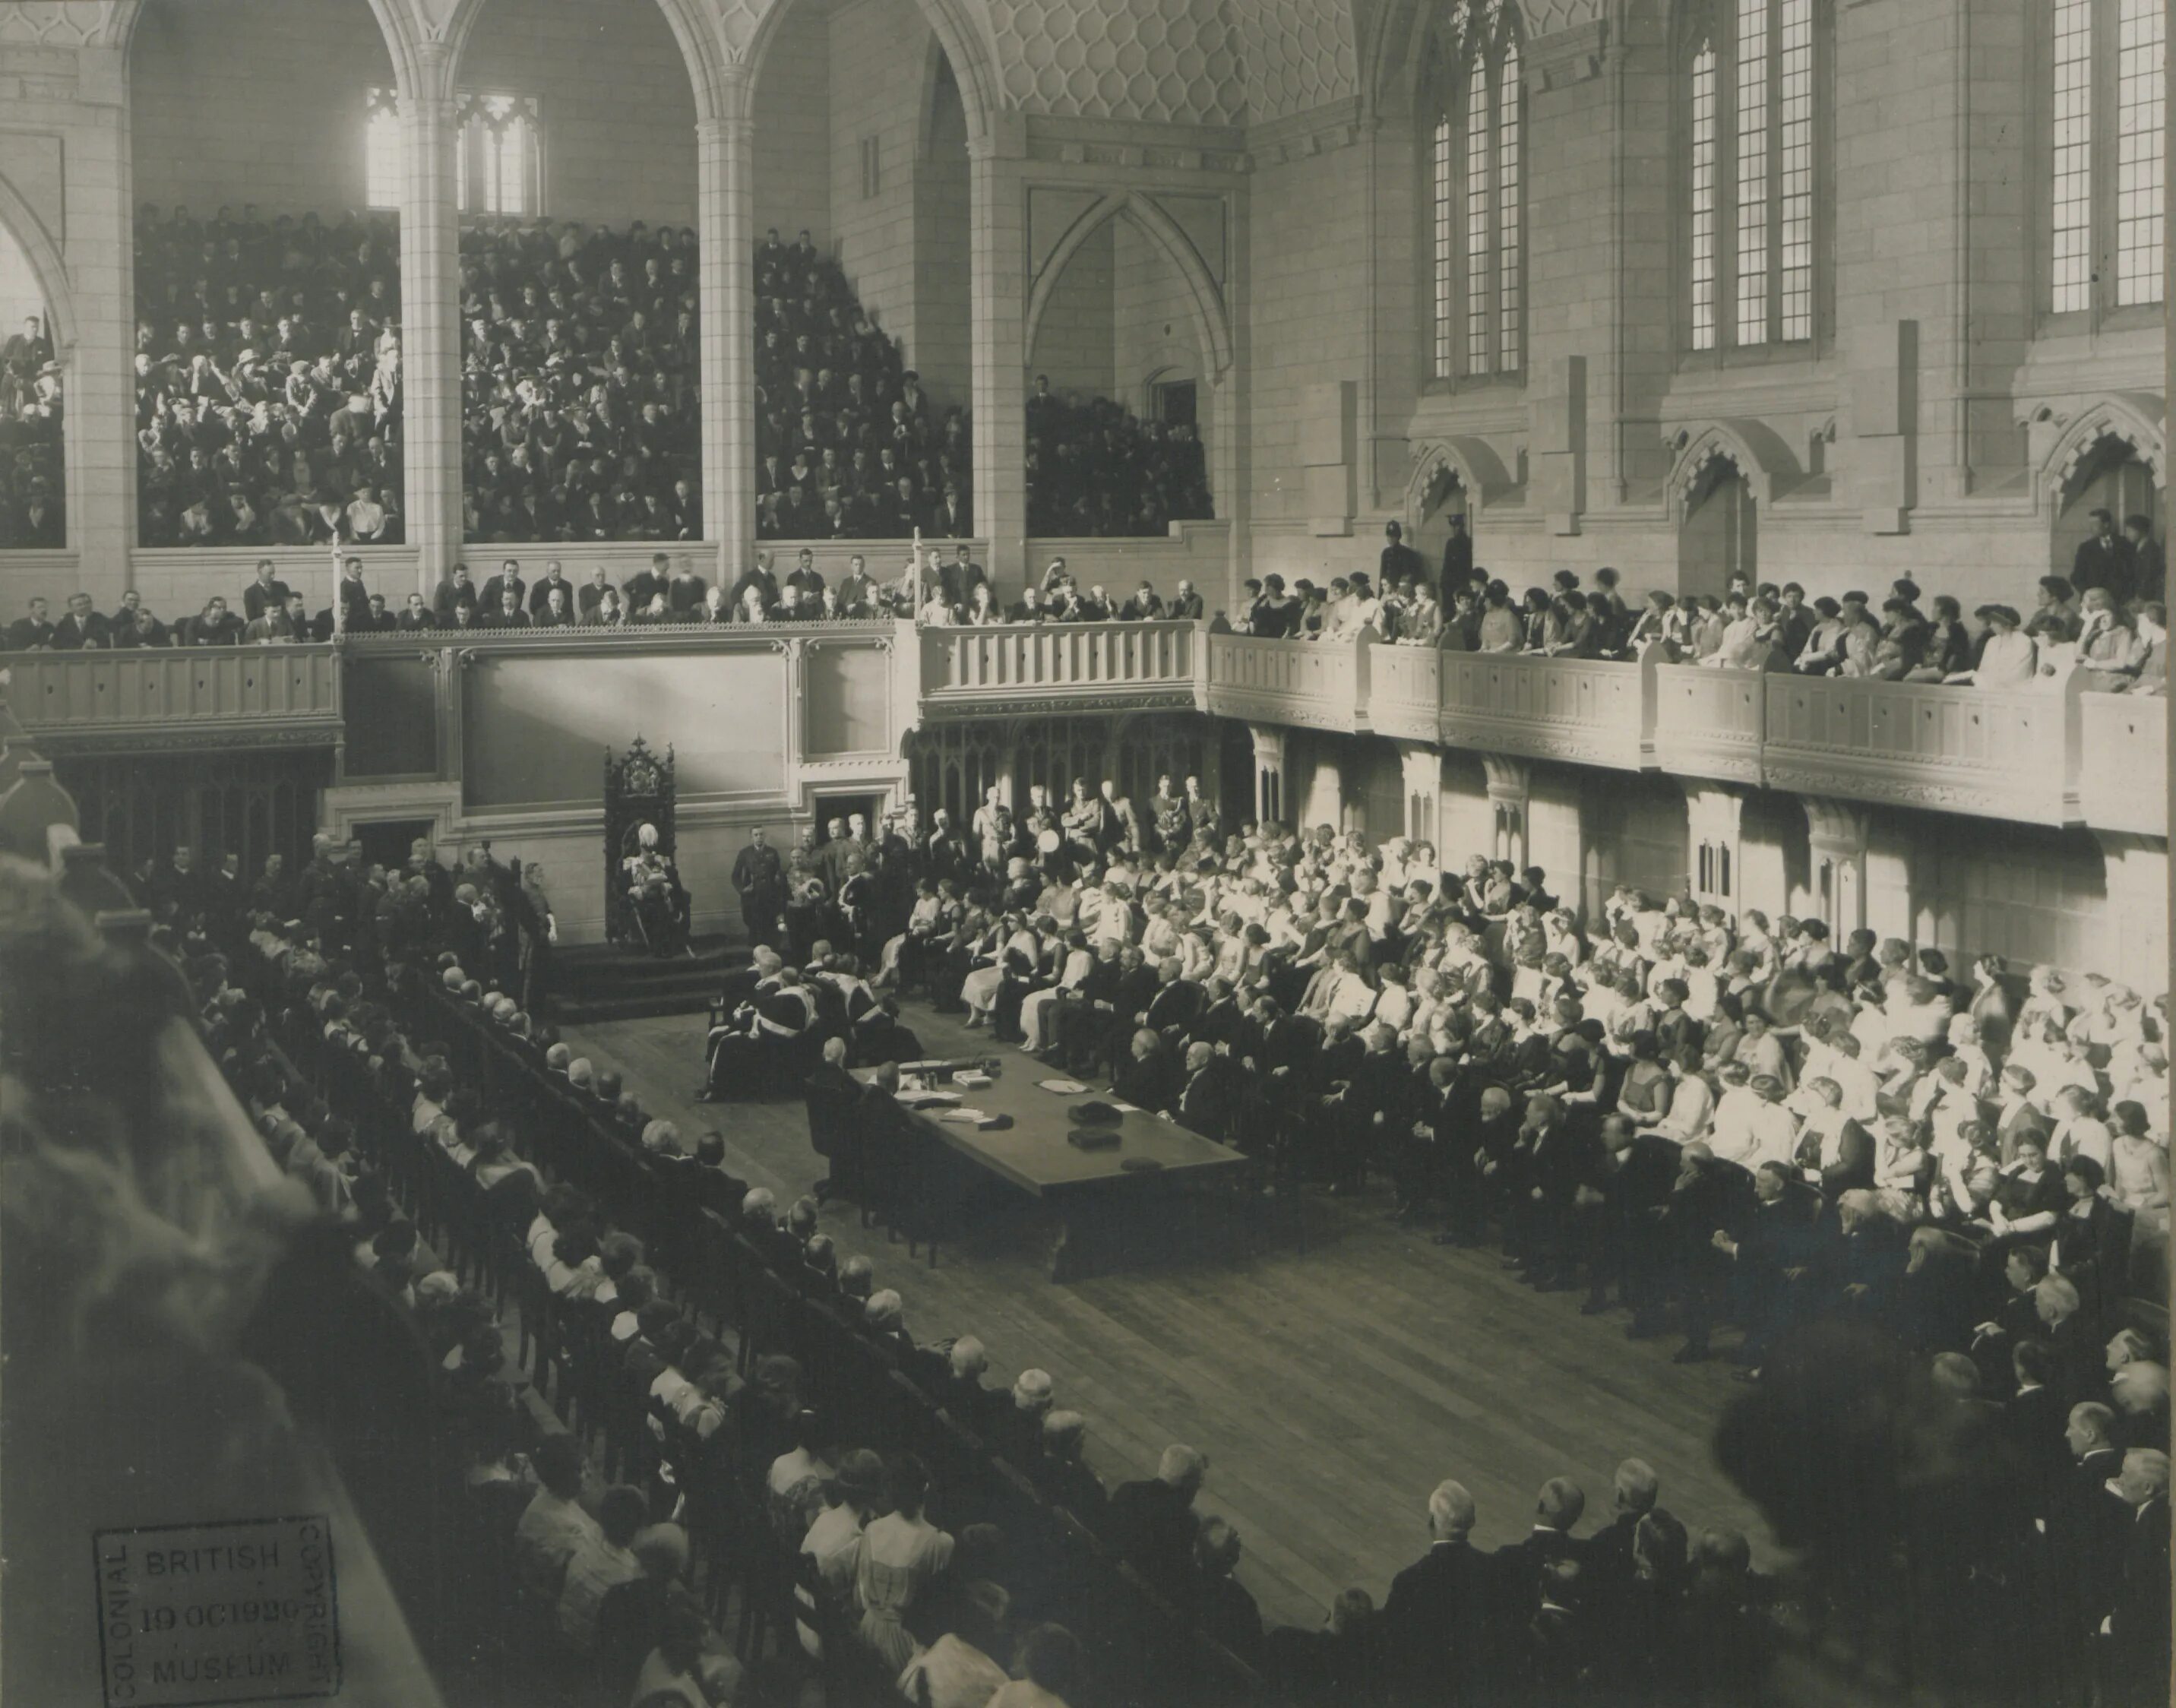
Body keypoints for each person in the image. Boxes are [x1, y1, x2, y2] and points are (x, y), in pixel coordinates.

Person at [1105, 1443, 1207, 1602]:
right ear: (1188, 1485)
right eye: (1198, 1484)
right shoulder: (1186, 1522)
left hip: (1110, 1577)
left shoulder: (1128, 1491)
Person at [732, 826, 786, 950]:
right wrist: (743, 890)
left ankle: (771, 957)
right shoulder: (745, 853)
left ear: (765, 836)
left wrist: (778, 879)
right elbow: (735, 876)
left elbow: (778, 873)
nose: (759, 837)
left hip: (770, 897)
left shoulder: (772, 852)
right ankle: (756, 957)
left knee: (770, 928)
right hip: (753, 898)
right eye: (756, 835)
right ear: (751, 837)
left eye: (761, 834)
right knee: (754, 927)